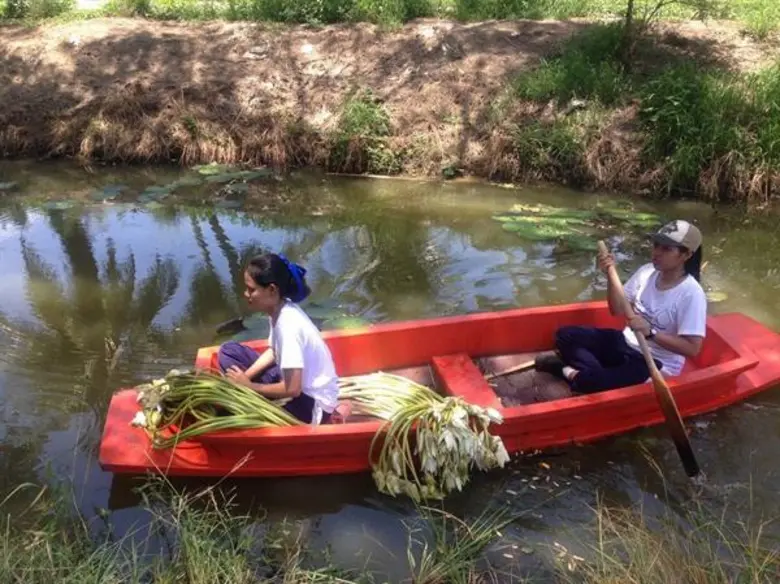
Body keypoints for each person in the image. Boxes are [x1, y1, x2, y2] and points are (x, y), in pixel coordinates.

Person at [535, 219, 707, 394]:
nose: (656, 253)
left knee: (592, 382)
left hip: (653, 362)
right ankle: (596, 376)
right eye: (656, 245)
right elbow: (616, 309)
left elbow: (692, 349)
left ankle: (567, 371)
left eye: (666, 249)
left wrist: (651, 334)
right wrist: (609, 274)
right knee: (566, 335)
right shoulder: (647, 271)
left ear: (687, 255)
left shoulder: (691, 294)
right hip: (625, 343)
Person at [217, 252, 339, 424]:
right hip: (296, 386)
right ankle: (249, 389)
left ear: (272, 290)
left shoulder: (287, 325)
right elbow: (274, 352)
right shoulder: (278, 309)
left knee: (242, 408)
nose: (246, 294)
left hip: (310, 405)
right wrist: (245, 377)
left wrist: (249, 386)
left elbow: (293, 389)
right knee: (229, 351)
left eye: (251, 289)